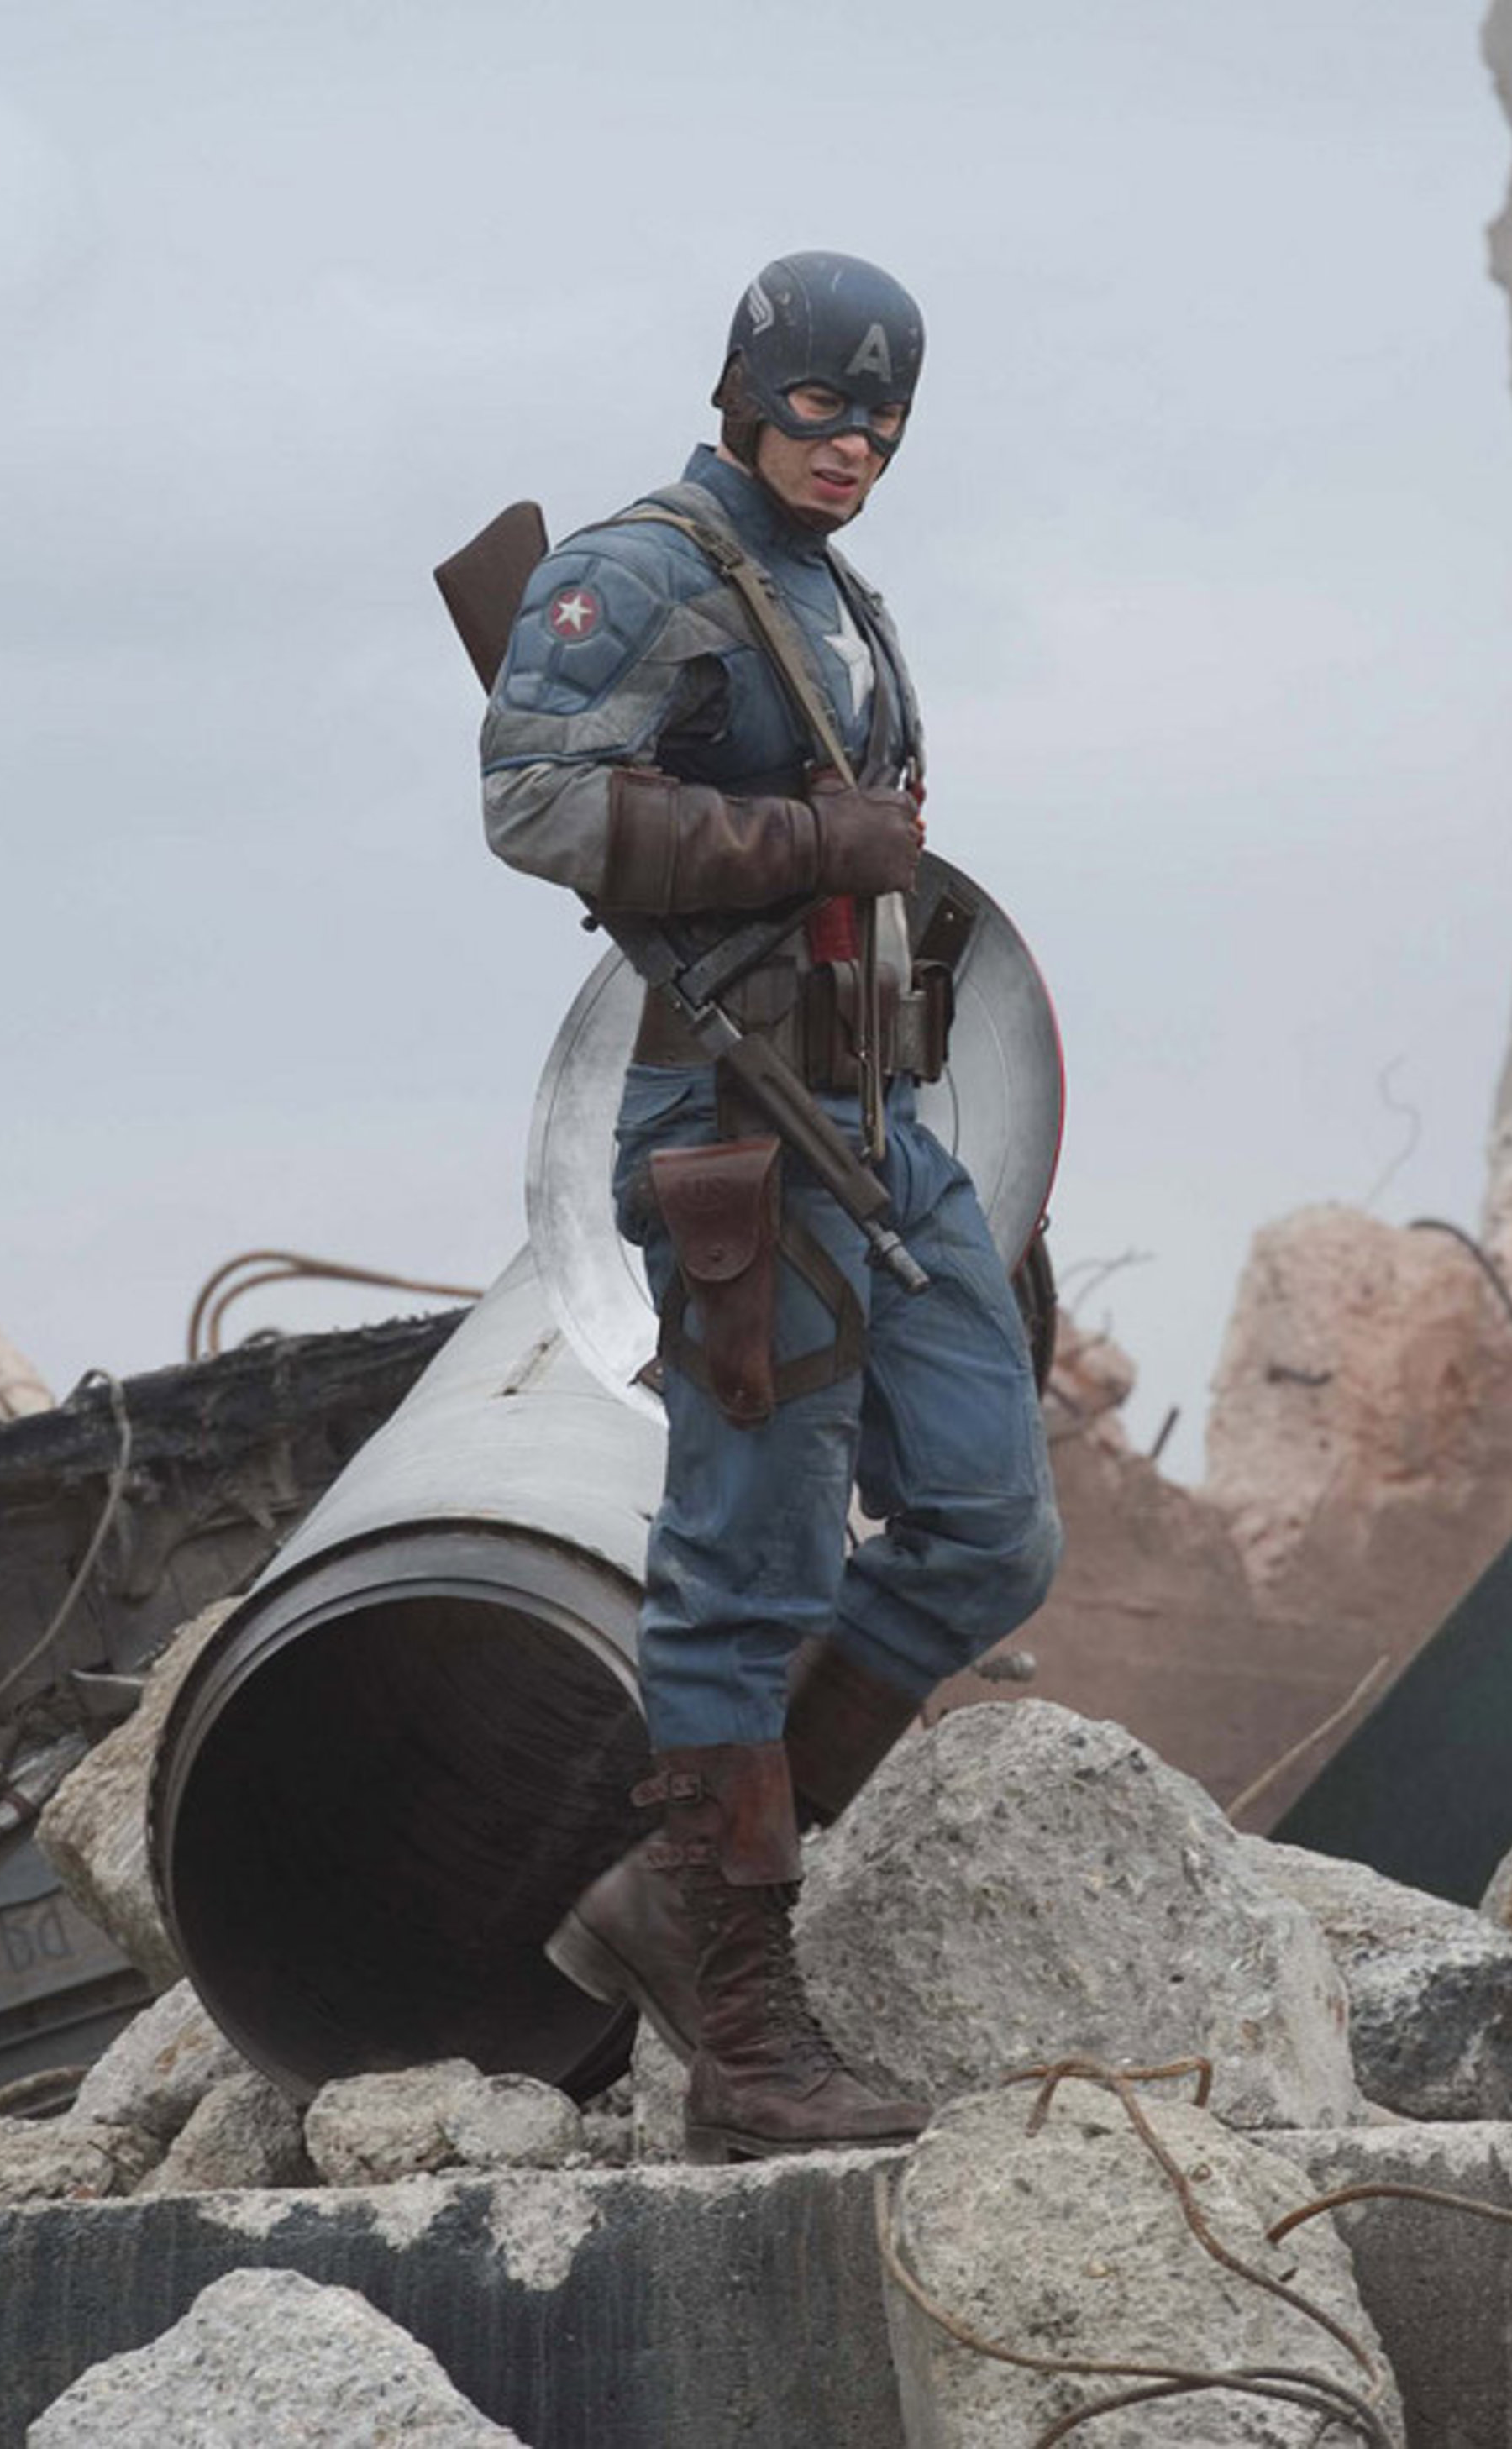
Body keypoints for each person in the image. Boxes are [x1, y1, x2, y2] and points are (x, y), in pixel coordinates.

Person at [480, 251, 1061, 2161]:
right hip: (734, 1119)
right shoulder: (642, 570)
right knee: (750, 1568)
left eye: (885, 419)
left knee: (988, 1526)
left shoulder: (827, 586)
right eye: (823, 408)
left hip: (880, 1115)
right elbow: (535, 802)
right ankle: (743, 2033)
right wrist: (815, 837)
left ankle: (680, 1893)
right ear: (743, 394)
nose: (855, 445)